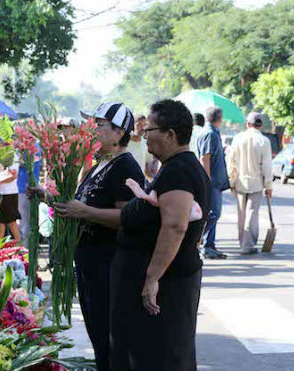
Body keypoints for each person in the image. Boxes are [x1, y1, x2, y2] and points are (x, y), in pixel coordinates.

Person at [102, 99, 209, 371]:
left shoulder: (180, 170)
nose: (144, 135)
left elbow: (175, 226)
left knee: (159, 357)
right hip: (163, 277)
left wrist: (152, 277)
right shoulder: (174, 167)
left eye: (150, 130)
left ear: (170, 135)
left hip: (168, 284)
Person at [48, 102, 144, 371]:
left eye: (99, 125)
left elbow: (127, 218)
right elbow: (79, 204)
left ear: (118, 133)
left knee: (109, 337)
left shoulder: (125, 166)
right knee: (98, 335)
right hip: (89, 262)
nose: (91, 130)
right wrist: (47, 198)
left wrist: (86, 212)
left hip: (108, 263)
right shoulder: (101, 162)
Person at [227, 112, 273, 254]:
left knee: (242, 214)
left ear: (247, 123)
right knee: (252, 213)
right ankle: (248, 245)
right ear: (261, 125)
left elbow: (231, 162)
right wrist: (268, 186)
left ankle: (243, 243)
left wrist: (231, 181)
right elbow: (266, 166)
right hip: (256, 183)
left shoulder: (238, 139)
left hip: (240, 182)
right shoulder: (264, 141)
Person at [196, 106, 229, 259]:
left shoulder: (212, 132)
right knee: (213, 213)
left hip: (215, 182)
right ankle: (202, 244)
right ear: (220, 118)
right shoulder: (209, 133)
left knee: (213, 213)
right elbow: (205, 158)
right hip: (211, 183)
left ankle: (209, 245)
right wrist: (206, 182)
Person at [0, 138, 21, 241]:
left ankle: (20, 247)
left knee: (12, 223)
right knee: (0, 223)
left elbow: (13, 176)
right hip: (1, 193)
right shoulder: (0, 157)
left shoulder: (11, 156)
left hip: (9, 193)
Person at [17, 143, 41, 245]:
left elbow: (20, 163)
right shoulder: (34, 145)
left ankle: (27, 247)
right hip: (26, 187)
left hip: (25, 188)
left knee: (25, 220)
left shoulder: (30, 146)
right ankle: (29, 246)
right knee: (26, 220)